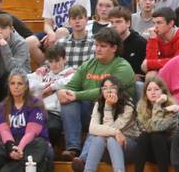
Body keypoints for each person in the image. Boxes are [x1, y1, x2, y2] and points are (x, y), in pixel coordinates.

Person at [56, 27, 135, 160]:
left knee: (95, 110)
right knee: (69, 103)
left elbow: (106, 92)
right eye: (96, 45)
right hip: (91, 111)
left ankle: (83, 159)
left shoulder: (123, 67)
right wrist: (62, 92)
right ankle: (73, 148)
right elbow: (71, 86)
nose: (97, 49)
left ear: (114, 48)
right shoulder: (89, 64)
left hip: (116, 114)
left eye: (102, 46)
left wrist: (77, 95)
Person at [0, 70, 52, 172]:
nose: (16, 87)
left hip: (32, 142)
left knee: (38, 148)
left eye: (19, 83)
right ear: (9, 86)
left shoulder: (36, 104)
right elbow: (4, 131)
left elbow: (31, 133)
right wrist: (11, 147)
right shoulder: (3, 106)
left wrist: (19, 148)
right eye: (12, 83)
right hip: (11, 141)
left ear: (26, 86)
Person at [27, 0, 91, 66]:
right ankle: (48, 67)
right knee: (29, 42)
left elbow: (85, 19)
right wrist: (50, 33)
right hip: (55, 29)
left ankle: (60, 67)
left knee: (61, 32)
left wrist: (56, 34)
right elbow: (47, 23)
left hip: (75, 29)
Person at [73, 75, 140, 172]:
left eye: (112, 87)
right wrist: (116, 132)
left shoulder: (128, 106)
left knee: (111, 138)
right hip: (107, 150)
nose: (108, 91)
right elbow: (92, 128)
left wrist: (108, 107)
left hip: (129, 148)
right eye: (105, 88)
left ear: (119, 90)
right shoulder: (99, 103)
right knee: (99, 137)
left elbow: (112, 129)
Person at [27, 44, 76, 147]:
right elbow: (24, 82)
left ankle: (44, 153)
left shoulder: (71, 73)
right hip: (37, 111)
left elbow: (64, 82)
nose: (54, 65)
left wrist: (44, 89)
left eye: (57, 61)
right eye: (51, 61)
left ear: (64, 59)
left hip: (55, 114)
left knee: (52, 128)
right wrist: (44, 85)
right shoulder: (43, 73)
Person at [134, 74, 179, 172]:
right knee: (144, 136)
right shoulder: (141, 106)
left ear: (163, 91)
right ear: (145, 93)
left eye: (156, 89)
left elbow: (158, 127)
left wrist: (157, 105)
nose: (153, 92)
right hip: (149, 150)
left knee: (157, 136)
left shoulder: (172, 106)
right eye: (149, 90)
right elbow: (144, 128)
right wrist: (159, 107)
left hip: (168, 150)